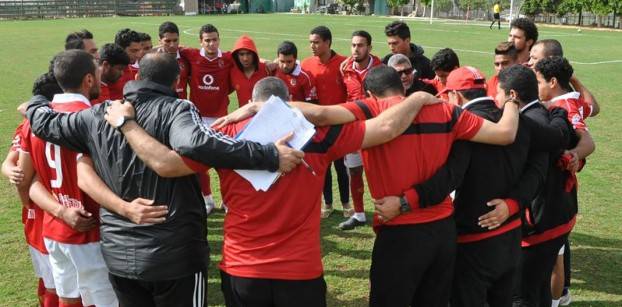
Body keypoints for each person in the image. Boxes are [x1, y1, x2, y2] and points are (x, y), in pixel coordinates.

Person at [105, 75, 442, 307]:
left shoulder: (226, 134)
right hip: (300, 272)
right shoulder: (318, 135)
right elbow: (386, 127)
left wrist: (127, 124)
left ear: (252, 102)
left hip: (243, 270)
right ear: (287, 103)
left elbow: (167, 164)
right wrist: (417, 97)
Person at [221, 65, 522, 306]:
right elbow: (506, 133)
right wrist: (511, 100)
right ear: (403, 87)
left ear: (368, 91)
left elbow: (323, 114)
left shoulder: (370, 107)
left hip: (399, 228)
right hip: (443, 231)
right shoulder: (447, 111)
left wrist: (264, 108)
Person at [25, 52, 304, 306]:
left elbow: (45, 123)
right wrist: (267, 155)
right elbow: (198, 144)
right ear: (176, 81)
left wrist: (38, 98)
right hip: (175, 257)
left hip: (120, 256)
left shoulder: (99, 114)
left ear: (136, 76)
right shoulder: (177, 109)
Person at [400, 66, 572, 307]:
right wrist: (513, 204)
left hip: (473, 243)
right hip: (511, 239)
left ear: (454, 96)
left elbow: (447, 179)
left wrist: (405, 201)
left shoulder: (463, 127)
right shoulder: (519, 121)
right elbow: (542, 162)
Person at [18, 50, 118, 307]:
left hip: (55, 229)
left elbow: (29, 182)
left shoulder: (35, 120)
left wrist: (61, 211)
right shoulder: (96, 120)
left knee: (67, 298)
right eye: (96, 74)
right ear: (88, 80)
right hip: (92, 230)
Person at [512, 58, 594, 307]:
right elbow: (592, 107)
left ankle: (557, 300)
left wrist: (575, 155)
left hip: (552, 199)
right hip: (558, 200)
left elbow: (588, 140)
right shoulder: (568, 101)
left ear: (552, 81)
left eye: (537, 80)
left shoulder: (563, 105)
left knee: (541, 270)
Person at [1, 73, 63, 307]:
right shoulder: (32, 127)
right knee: (54, 282)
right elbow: (13, 167)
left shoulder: (32, 122)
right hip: (43, 214)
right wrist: (12, 174)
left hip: (44, 211)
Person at [179, 23, 235, 212]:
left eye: (214, 40)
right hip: (198, 119)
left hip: (222, 119)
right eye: (207, 40)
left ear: (219, 40)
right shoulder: (192, 55)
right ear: (200, 42)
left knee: (225, 164)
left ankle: (227, 200)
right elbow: (168, 47)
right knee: (200, 165)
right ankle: (208, 200)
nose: (211, 44)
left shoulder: (228, 58)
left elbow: (250, 57)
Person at [301, 25, 351, 218]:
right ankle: (328, 204)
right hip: (316, 126)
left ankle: (346, 204)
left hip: (339, 124)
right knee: (323, 167)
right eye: (310, 42)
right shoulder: (306, 64)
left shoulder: (343, 64)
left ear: (328, 42)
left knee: (341, 166)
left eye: (316, 42)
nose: (312, 46)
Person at [338, 30, 382, 230]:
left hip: (377, 129)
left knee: (379, 172)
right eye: (354, 45)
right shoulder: (345, 68)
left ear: (369, 48)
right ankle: (359, 214)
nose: (356, 49)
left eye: (361, 45)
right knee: (354, 172)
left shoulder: (380, 69)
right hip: (354, 130)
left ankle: (384, 212)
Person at [528, 39, 600, 118]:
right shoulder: (526, 79)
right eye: (530, 57)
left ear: (550, 60)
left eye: (534, 58)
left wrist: (573, 79)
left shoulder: (563, 95)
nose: (529, 63)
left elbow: (593, 109)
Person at [230, 35, 269, 107]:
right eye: (241, 54)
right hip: (244, 116)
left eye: (248, 54)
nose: (245, 58)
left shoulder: (266, 69)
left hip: (263, 116)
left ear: (254, 54)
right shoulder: (232, 71)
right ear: (236, 56)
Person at [157, 21, 191, 100]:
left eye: (175, 40)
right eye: (167, 41)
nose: (172, 45)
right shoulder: (153, 60)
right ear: (160, 41)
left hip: (181, 108)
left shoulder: (186, 58)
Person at [108, 28, 143, 99]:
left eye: (139, 50)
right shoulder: (108, 70)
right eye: (134, 51)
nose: (138, 55)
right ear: (120, 48)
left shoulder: (130, 68)